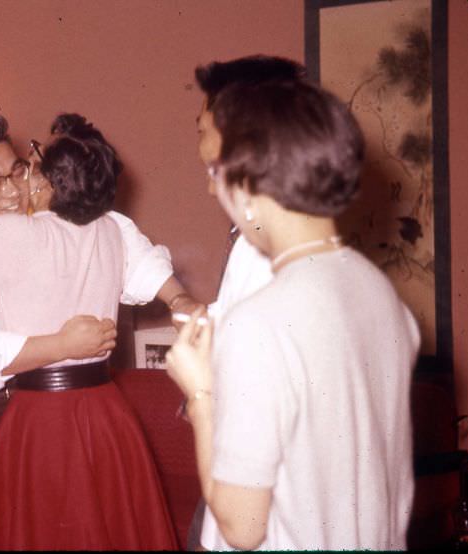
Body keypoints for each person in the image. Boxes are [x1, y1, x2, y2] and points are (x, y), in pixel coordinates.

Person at [0, 113, 194, 550]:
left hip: (33, 408)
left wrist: (177, 298)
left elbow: (123, 241)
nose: (13, 191)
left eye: (17, 171)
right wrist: (62, 346)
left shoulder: (33, 225)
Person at [165, 78, 420, 550]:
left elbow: (242, 527)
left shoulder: (258, 324)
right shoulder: (381, 294)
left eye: (216, 174)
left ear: (247, 186)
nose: (210, 188)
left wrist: (201, 394)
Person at [186, 54, 308, 549]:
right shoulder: (268, 239)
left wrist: (198, 388)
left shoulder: (267, 252)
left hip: (251, 490)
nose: (197, 141)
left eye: (203, 128)